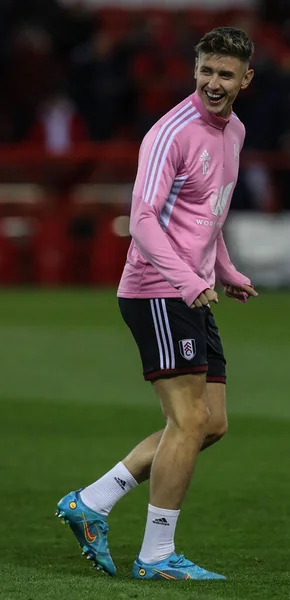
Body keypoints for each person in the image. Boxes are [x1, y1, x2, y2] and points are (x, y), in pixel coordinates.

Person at [56, 26, 257, 581]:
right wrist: (188, 282)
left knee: (210, 423)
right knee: (188, 419)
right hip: (157, 289)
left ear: (245, 79)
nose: (214, 83)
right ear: (195, 72)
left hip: (191, 287)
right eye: (206, 72)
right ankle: (156, 556)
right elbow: (143, 221)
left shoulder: (234, 130)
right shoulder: (172, 132)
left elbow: (205, 217)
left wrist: (226, 270)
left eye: (225, 74)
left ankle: (91, 502)